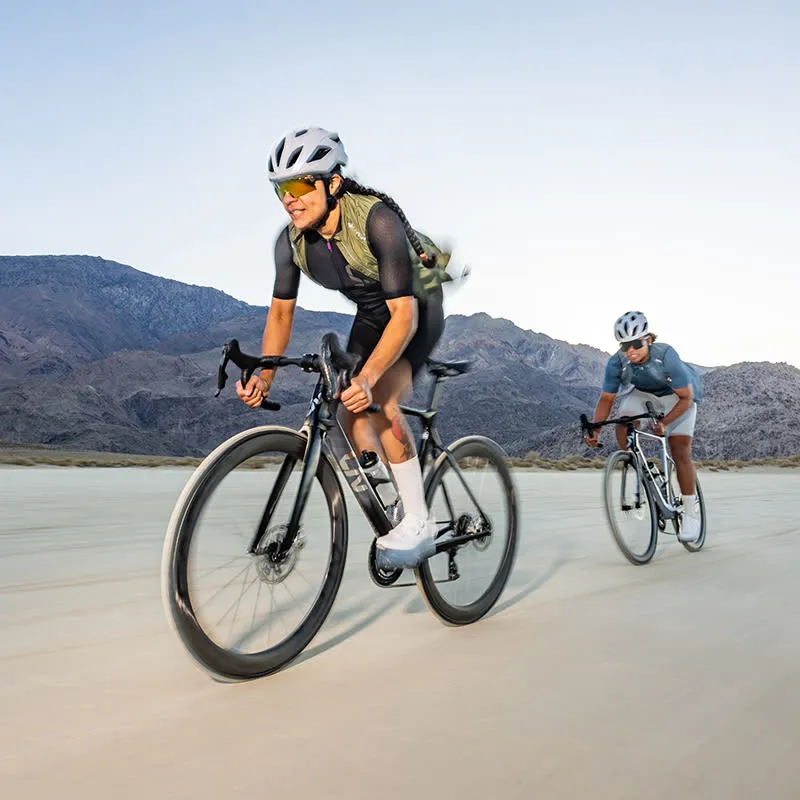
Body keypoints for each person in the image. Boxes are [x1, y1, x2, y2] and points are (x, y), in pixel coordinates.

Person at [236, 126, 453, 569]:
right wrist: (265, 375)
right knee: (343, 409)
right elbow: (280, 315)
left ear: (332, 184)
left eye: (299, 186)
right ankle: (387, 490)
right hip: (374, 313)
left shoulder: (377, 219)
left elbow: (404, 316)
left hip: (415, 309)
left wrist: (372, 377)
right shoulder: (291, 243)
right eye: (280, 189)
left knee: (381, 400)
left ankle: (419, 519)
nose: (289, 199)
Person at [584, 310, 704, 542]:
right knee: (623, 421)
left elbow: (686, 399)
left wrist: (665, 423)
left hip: (679, 397)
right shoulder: (616, 363)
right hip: (645, 394)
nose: (630, 351)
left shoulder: (666, 355)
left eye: (636, 344)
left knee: (679, 449)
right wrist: (596, 427)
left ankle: (690, 513)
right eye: (624, 346)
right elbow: (607, 399)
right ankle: (642, 468)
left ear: (648, 339)